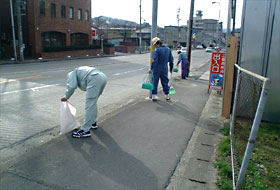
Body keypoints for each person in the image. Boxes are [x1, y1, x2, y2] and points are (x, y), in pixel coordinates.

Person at [61, 66, 107, 138]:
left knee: (90, 105)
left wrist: (66, 97)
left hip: (94, 78)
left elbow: (72, 86)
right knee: (93, 103)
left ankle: (85, 130)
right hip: (102, 77)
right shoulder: (78, 71)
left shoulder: (72, 74)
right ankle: (93, 122)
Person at [149, 37, 174, 101]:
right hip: (165, 68)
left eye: (154, 45)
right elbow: (171, 60)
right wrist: (171, 68)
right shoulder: (168, 49)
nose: (155, 47)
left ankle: (154, 96)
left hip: (157, 68)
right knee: (165, 81)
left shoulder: (157, 50)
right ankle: (167, 95)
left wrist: (151, 68)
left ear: (157, 44)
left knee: (155, 82)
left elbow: (155, 61)